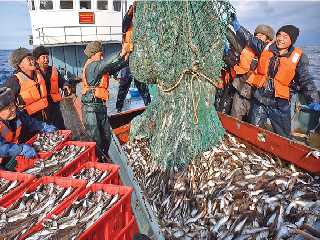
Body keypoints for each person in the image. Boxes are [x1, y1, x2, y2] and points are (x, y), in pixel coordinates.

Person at [231, 16, 319, 138]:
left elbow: (306, 79)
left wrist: (314, 100)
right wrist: (237, 27)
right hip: (259, 100)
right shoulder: (265, 48)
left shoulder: (298, 57)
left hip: (279, 105)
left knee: (283, 137)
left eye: (285, 37)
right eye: (279, 35)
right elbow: (250, 39)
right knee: (253, 132)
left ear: (292, 40)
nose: (280, 39)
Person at [82, 41, 127, 161]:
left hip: (100, 106)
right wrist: (121, 53)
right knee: (96, 138)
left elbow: (113, 66)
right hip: (90, 108)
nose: (102, 57)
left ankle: (103, 157)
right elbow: (106, 63)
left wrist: (126, 58)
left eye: (102, 55)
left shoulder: (99, 67)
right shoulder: (92, 66)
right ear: (92, 54)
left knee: (106, 136)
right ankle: (97, 161)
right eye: (100, 54)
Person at [0, 87, 56, 171]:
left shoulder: (16, 114)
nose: (13, 109)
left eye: (13, 105)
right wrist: (21, 149)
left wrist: (43, 126)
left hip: (12, 154)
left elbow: (31, 122)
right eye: (9, 108)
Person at [230, 24, 275, 121]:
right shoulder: (247, 48)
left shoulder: (270, 51)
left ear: (268, 39)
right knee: (234, 117)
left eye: (261, 35)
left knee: (252, 122)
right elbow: (235, 41)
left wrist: (239, 27)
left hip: (255, 95)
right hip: (240, 89)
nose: (257, 36)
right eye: (256, 34)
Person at [115, 4, 151, 113]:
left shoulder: (141, 27)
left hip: (139, 59)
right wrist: (131, 10)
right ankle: (118, 108)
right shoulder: (126, 26)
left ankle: (149, 107)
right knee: (124, 85)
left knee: (141, 83)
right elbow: (126, 20)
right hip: (128, 58)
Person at [4, 48, 49, 121]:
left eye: (32, 59)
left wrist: (65, 84)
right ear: (20, 65)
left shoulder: (39, 73)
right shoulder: (14, 80)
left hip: (45, 116)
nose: (33, 61)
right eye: (29, 59)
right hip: (29, 122)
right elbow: (3, 100)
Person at [33, 45, 71, 129]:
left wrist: (65, 85)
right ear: (37, 60)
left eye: (47, 57)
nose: (46, 59)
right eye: (43, 57)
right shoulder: (33, 74)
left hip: (55, 105)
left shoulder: (54, 70)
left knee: (60, 127)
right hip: (42, 109)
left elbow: (62, 81)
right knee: (47, 130)